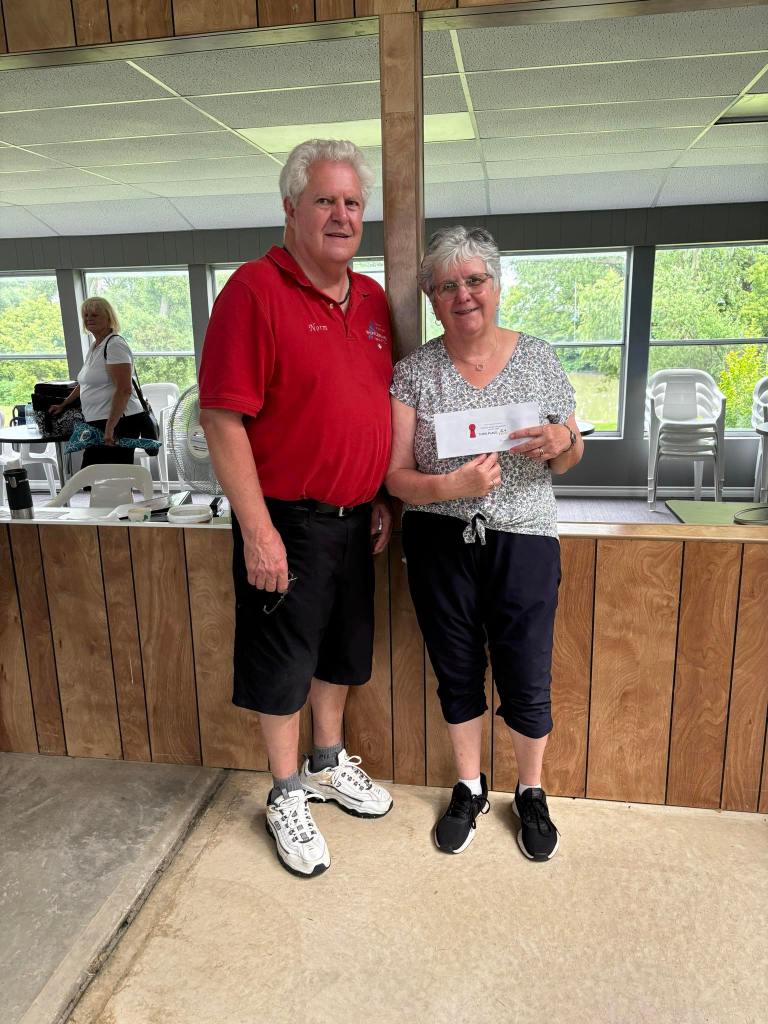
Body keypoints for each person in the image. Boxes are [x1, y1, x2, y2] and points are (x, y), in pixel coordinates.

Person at [199, 139, 394, 879]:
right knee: (282, 664)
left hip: (356, 518)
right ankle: (285, 793)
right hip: (284, 517)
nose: (342, 216)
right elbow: (222, 418)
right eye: (325, 201)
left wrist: (379, 495)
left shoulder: (371, 300)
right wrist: (258, 532)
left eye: (352, 203)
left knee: (340, 651)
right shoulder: (252, 291)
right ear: (290, 208)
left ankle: (326, 761)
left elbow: (371, 406)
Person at [385, 226, 584, 862]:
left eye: (475, 281)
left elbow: (571, 451)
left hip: (524, 537)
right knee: (457, 667)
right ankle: (469, 787)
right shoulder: (413, 374)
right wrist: (451, 486)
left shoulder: (539, 358)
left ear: (496, 286)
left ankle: (531, 791)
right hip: (440, 540)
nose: (463, 295)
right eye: (447, 286)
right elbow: (395, 477)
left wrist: (562, 442)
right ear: (432, 299)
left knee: (527, 668)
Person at [49, 297, 155, 467]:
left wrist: (110, 427)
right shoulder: (95, 346)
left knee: (109, 475)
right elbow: (86, 383)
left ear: (108, 318)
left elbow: (124, 389)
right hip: (97, 421)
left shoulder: (115, 345)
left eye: (95, 315)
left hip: (119, 422)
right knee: (98, 474)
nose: (89, 319)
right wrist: (64, 404)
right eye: (86, 315)